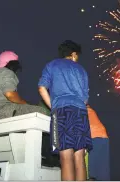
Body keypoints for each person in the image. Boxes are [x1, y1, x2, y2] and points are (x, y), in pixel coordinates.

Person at [38, 40, 93, 181]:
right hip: (81, 112)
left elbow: (42, 88)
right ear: (73, 54)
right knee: (79, 157)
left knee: (65, 157)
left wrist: (53, 106)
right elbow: (85, 99)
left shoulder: (52, 65)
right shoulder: (82, 70)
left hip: (62, 111)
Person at [0, 51, 49, 123]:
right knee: (41, 112)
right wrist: (25, 103)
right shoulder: (7, 72)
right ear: (13, 64)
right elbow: (10, 95)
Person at [86, 104, 110, 181]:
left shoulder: (83, 110)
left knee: (93, 173)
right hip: (103, 138)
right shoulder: (90, 110)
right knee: (103, 170)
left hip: (95, 138)